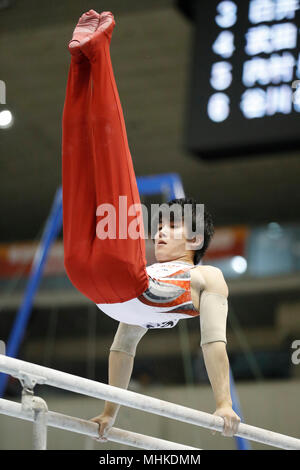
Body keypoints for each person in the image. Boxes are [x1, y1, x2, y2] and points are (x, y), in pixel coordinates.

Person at [62, 9, 241, 445]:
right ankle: (88, 56)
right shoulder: (149, 271)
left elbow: (212, 342)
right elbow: (124, 346)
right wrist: (111, 408)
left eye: (172, 227)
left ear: (195, 239)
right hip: (116, 280)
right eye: (160, 225)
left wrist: (223, 402)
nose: (158, 232)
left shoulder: (207, 277)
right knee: (99, 149)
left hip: (90, 276)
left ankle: (89, 59)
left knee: (81, 162)